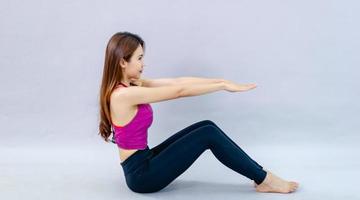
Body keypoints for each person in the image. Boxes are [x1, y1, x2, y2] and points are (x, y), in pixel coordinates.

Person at [98, 31, 299, 194]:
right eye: (139, 58)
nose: (143, 64)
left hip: (145, 159)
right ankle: (265, 180)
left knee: (207, 126)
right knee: (207, 135)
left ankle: (260, 174)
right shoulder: (123, 95)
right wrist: (221, 86)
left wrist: (221, 81)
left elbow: (177, 82)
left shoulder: (130, 87)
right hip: (142, 176)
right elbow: (179, 92)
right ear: (123, 62)